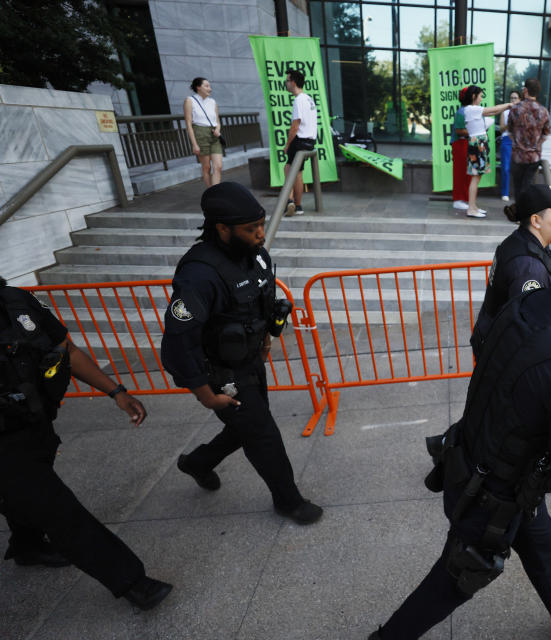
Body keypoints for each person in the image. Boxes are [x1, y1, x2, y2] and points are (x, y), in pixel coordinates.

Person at [369, 217, 551, 640]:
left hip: (475, 462)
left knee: (539, 540)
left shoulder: (522, 305)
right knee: (453, 581)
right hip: (490, 497)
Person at [0, 278, 171, 610]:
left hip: (34, 425)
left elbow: (67, 351)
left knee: (25, 494)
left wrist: (116, 391)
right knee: (59, 510)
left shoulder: (16, 302)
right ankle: (132, 582)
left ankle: (27, 544)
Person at [160, 182, 323, 525]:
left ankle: (198, 462)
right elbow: (177, 340)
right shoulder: (199, 274)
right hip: (221, 375)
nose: (261, 234)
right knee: (262, 433)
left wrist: (266, 336)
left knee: (245, 426)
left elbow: (258, 304)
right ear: (222, 229)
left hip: (249, 362)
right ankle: (289, 501)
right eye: (251, 229)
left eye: (261, 225)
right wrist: (205, 394)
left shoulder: (256, 256)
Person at [470, 184, 551, 357]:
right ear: (536, 221)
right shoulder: (528, 268)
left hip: (494, 344)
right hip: (505, 355)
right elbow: (529, 329)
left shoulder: (523, 242)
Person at [462, 85, 512, 219]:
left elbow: (493, 113)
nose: (481, 98)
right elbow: (494, 109)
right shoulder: (472, 109)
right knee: (475, 177)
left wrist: (506, 107)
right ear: (474, 96)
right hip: (478, 144)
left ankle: (473, 206)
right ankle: (471, 209)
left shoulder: (472, 110)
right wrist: (508, 105)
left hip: (478, 143)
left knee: (476, 177)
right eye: (480, 95)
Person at [282, 69, 318, 217]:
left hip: (299, 141)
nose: (285, 83)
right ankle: (298, 206)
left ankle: (290, 201)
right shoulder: (309, 99)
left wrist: (287, 144)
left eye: (287, 81)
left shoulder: (298, 100)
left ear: (293, 83)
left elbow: (295, 126)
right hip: (310, 142)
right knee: (298, 173)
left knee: (288, 170)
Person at [509, 77, 551, 198]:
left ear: (525, 90)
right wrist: (536, 146)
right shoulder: (544, 111)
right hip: (533, 157)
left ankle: (520, 212)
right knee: (527, 186)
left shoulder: (515, 109)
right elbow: (545, 134)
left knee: (517, 188)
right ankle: (526, 214)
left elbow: (510, 132)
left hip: (517, 156)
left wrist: (518, 144)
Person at [184, 77, 223, 188]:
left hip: (214, 134)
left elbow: (218, 121)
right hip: (200, 133)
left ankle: (216, 192)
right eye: (206, 86)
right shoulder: (189, 100)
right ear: (198, 87)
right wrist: (194, 144)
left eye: (209, 86)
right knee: (206, 167)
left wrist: (218, 130)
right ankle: (210, 192)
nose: (209, 89)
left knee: (218, 166)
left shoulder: (212, 102)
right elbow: (188, 124)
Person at [499, 90, 521, 202]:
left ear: (520, 100)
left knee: (519, 168)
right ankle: (505, 192)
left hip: (518, 141)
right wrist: (510, 124)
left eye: (515, 98)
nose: (513, 100)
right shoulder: (505, 112)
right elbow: (501, 128)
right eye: (511, 98)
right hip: (507, 140)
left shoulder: (523, 112)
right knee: (506, 168)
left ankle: (520, 193)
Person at [451, 87, 471, 211]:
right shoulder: (462, 112)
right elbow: (459, 130)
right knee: (460, 172)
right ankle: (458, 199)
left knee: (466, 172)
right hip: (460, 143)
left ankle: (464, 198)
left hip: (466, 143)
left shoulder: (468, 111)